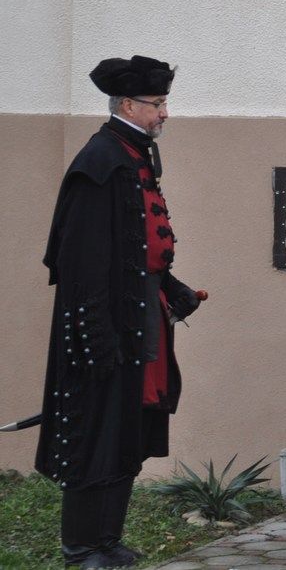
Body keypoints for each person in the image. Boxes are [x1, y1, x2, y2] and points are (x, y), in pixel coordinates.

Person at [36, 55, 202, 569]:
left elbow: (139, 248)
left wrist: (172, 288)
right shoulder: (101, 162)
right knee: (95, 433)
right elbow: (82, 264)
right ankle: (81, 545)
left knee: (128, 430)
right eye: (158, 104)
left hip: (140, 319)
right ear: (128, 105)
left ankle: (108, 540)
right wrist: (96, 339)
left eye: (164, 103)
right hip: (104, 327)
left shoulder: (135, 153)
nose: (165, 114)